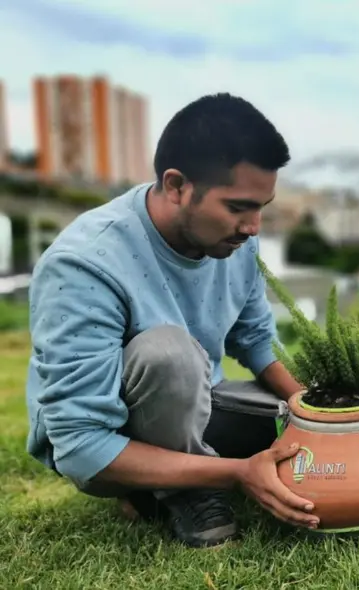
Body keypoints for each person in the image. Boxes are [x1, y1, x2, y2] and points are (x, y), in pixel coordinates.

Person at [25, 92, 320, 549]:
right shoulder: (83, 262)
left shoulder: (233, 241)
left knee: (297, 435)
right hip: (109, 429)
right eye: (238, 207)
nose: (254, 226)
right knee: (170, 353)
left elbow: (256, 337)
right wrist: (237, 475)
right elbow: (81, 444)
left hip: (198, 401)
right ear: (178, 185)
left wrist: (314, 411)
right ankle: (183, 489)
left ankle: (160, 487)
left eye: (262, 207)